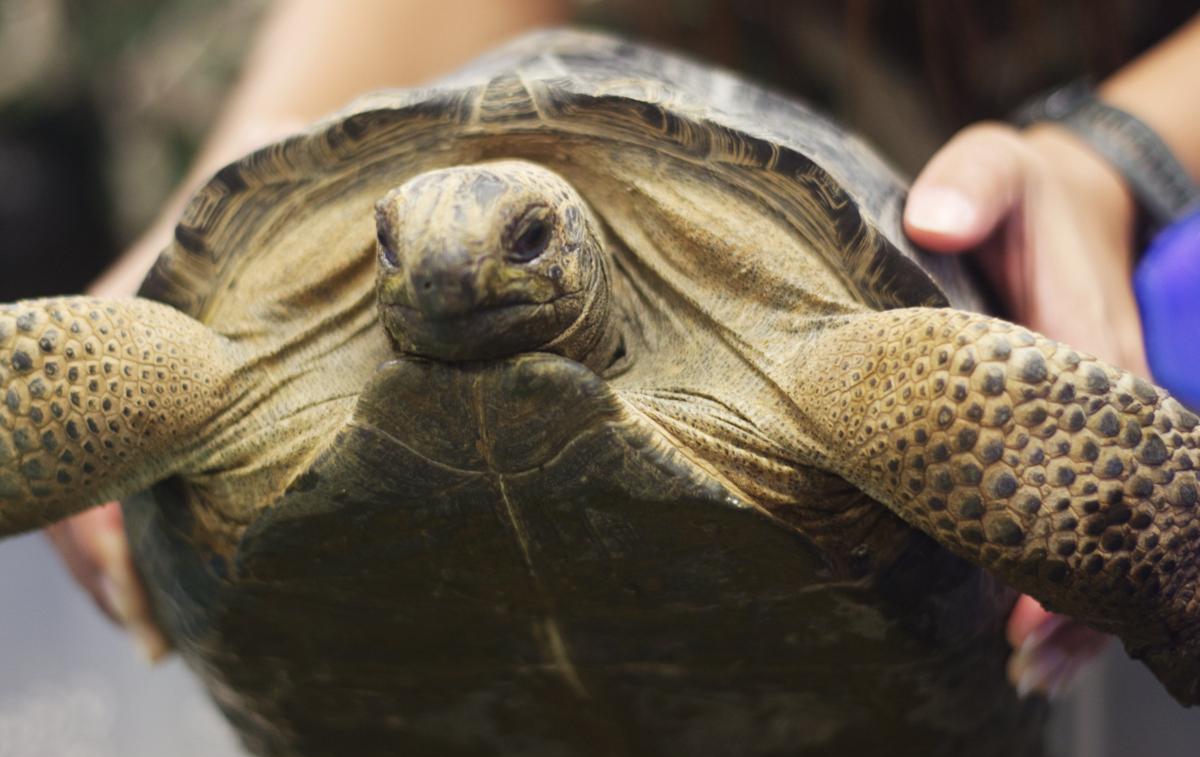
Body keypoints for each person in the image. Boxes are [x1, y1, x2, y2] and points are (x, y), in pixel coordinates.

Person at [40, 1, 1200, 700]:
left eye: (527, 241)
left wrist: (1120, 151)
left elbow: (1110, 483)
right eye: (399, 253)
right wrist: (242, 153)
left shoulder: (842, 374)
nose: (452, 274)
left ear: (582, 247)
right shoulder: (259, 359)